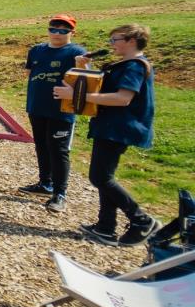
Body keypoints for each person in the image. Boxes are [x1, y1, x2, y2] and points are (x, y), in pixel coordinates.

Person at [54, 23, 159, 246]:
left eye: (115, 40)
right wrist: (84, 67)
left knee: (100, 177)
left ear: (132, 41)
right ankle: (106, 227)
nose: (112, 45)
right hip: (109, 126)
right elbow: (101, 87)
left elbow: (122, 98)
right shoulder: (124, 64)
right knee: (104, 176)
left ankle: (141, 220)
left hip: (119, 127)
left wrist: (76, 96)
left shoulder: (135, 67)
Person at [18, 14, 86, 213]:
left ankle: (60, 193)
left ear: (72, 32)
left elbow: (86, 80)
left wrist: (82, 65)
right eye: (53, 29)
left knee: (58, 150)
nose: (57, 33)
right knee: (41, 146)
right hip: (37, 106)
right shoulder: (36, 50)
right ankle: (45, 183)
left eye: (63, 30)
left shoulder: (77, 53)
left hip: (62, 110)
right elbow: (29, 73)